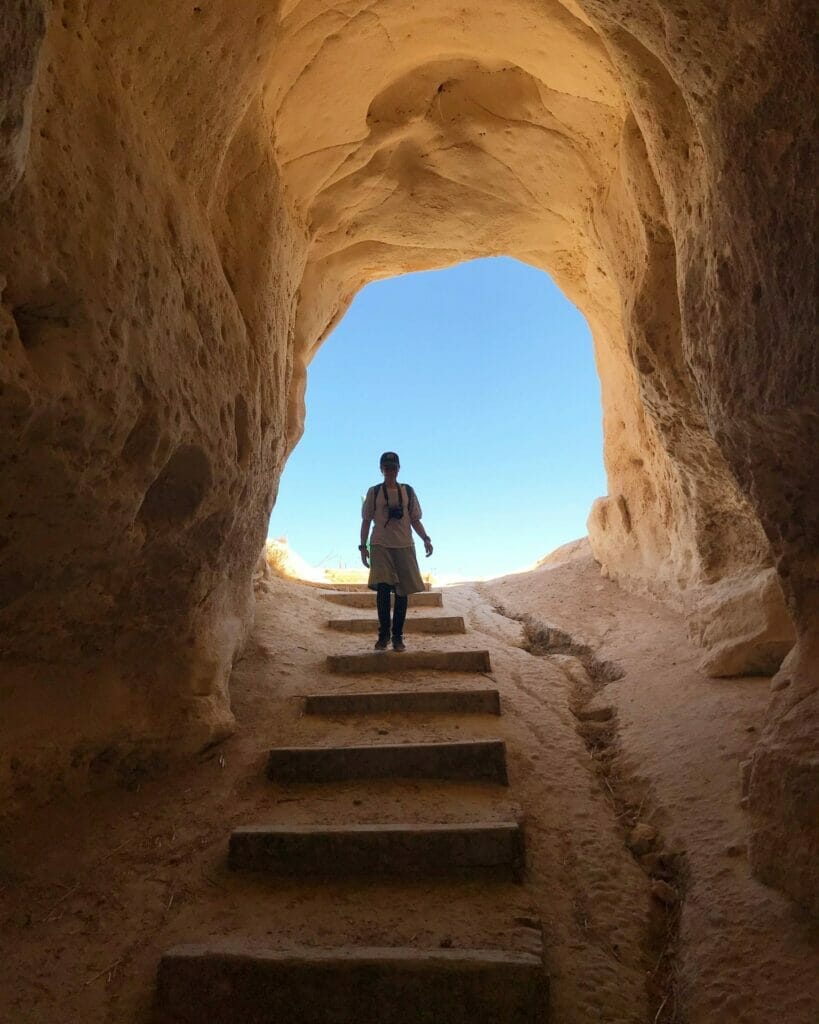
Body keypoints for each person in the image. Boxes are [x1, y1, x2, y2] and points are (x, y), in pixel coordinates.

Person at [359, 452, 433, 651]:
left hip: (404, 545)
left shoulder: (408, 491)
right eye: (386, 467)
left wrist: (426, 538)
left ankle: (397, 636)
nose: (390, 470)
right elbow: (366, 520)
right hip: (380, 545)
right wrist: (362, 547)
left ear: (398, 469)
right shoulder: (374, 492)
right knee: (383, 590)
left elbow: (415, 519)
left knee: (402, 592)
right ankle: (383, 636)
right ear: (381, 469)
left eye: (393, 467)